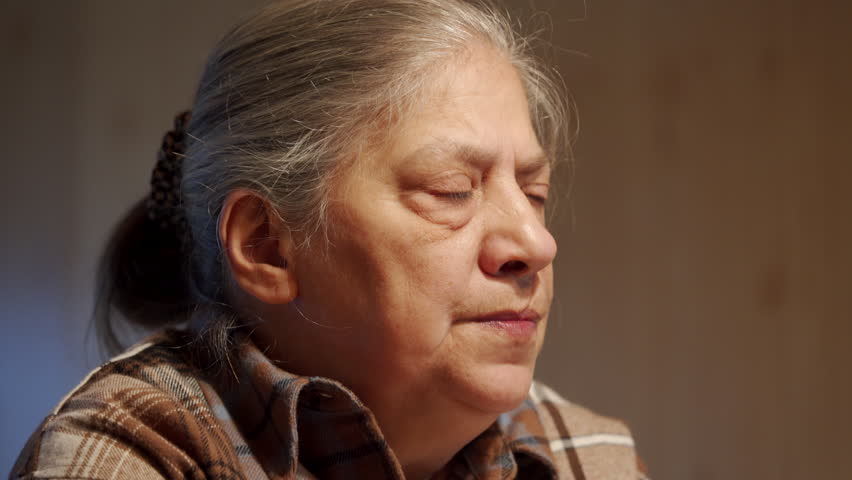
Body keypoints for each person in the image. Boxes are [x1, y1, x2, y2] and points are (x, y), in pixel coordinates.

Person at [11, 1, 648, 478]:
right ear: (266, 245)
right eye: (453, 188)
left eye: (534, 193)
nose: (536, 243)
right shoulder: (132, 450)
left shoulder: (589, 455)